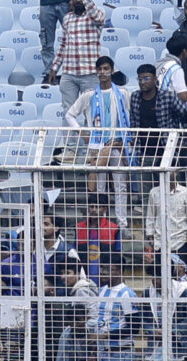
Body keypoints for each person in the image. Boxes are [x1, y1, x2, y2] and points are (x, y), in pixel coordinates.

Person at [64, 56, 131, 231]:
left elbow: (129, 117)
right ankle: (102, 224)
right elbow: (70, 115)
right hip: (97, 146)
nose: (102, 72)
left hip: (117, 145)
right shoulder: (89, 95)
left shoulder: (123, 94)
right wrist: (84, 135)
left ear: (112, 70)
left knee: (120, 186)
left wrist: (125, 142)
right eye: (99, 69)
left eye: (106, 69)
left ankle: (122, 225)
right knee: (99, 188)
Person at [47, 0, 106, 110]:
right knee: (68, 111)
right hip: (69, 74)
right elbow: (63, 45)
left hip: (90, 73)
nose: (78, 1)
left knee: (91, 111)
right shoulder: (67, 18)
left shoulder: (98, 14)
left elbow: (96, 17)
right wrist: (54, 68)